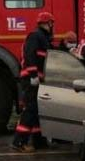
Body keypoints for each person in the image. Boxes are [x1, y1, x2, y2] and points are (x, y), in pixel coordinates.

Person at [12, 11, 54, 152]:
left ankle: (39, 140)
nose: (52, 26)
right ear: (47, 23)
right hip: (31, 79)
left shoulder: (43, 38)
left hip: (37, 79)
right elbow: (30, 55)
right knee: (30, 110)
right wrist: (33, 74)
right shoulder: (36, 36)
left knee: (37, 110)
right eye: (51, 23)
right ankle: (19, 142)